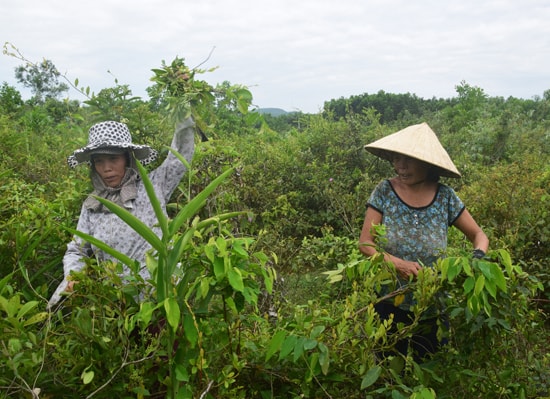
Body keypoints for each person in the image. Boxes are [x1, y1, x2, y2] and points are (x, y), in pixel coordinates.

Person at [358, 122, 489, 360]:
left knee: (429, 367)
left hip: (432, 304)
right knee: (387, 371)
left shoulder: (445, 196)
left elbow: (479, 236)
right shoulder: (385, 191)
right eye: (396, 159)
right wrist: (399, 264)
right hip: (388, 301)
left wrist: (475, 261)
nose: (401, 166)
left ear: (427, 164)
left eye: (408, 160)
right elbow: (366, 243)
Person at [48, 118, 196, 309]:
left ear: (128, 158)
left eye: (113, 159)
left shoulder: (154, 185)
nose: (106, 168)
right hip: (115, 302)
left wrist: (183, 115)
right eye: (99, 161)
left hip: (161, 298)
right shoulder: (93, 204)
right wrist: (74, 276)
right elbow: (77, 250)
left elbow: (179, 158)